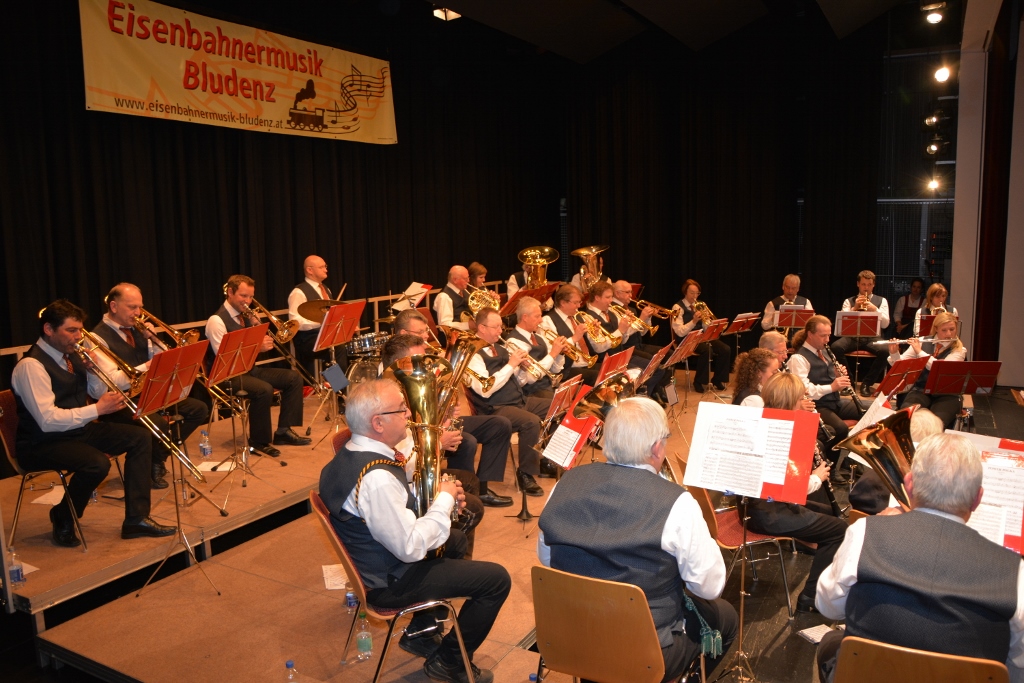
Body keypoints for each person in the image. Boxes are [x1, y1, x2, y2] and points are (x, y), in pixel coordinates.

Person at [319, 379, 511, 683]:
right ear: (378, 423)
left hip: (376, 561)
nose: (409, 413)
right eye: (401, 409)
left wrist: (439, 498)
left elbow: (387, 507)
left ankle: (422, 631)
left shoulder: (350, 454)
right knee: (497, 580)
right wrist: (444, 500)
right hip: (389, 580)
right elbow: (409, 547)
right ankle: (448, 662)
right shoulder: (377, 479)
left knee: (455, 540)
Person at [538, 397, 738, 681]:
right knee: (726, 617)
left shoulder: (564, 484)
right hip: (645, 653)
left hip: (573, 639)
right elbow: (708, 587)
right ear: (656, 447)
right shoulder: (678, 503)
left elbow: (547, 559)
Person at [815, 433, 1024, 683]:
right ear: (977, 499)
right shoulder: (1015, 573)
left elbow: (828, 606)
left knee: (830, 643)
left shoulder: (865, 533)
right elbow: (1017, 665)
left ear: (909, 484)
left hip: (870, 675)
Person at [11, 300, 175, 547]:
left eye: (79, 330)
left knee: (140, 437)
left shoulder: (71, 357)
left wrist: (91, 371)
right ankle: (64, 515)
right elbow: (47, 421)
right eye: (71, 330)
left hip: (77, 430)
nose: (78, 337)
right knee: (96, 463)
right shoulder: (30, 366)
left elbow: (98, 393)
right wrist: (97, 410)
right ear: (48, 329)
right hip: (41, 442)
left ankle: (136, 519)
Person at [743, 372, 848, 613]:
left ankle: (822, 564)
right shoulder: (784, 431)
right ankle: (810, 596)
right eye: (801, 397)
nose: (805, 401)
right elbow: (790, 488)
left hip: (755, 505)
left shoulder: (762, 421)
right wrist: (817, 477)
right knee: (839, 530)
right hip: (769, 512)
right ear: (791, 401)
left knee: (827, 512)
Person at [390, 309, 515, 506]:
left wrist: (446, 408)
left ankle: (480, 490)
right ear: (404, 334)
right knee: (466, 441)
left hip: (435, 420)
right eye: (420, 332)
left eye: (426, 331)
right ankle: (461, 497)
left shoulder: (420, 357)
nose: (426, 336)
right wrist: (439, 436)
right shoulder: (392, 372)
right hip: (420, 430)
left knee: (499, 425)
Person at [91, 283, 209, 488]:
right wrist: (147, 366)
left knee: (199, 409)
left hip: (148, 392)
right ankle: (152, 464)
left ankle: (157, 457)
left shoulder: (137, 329)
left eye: (140, 307)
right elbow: (112, 380)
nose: (138, 313)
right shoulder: (97, 338)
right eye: (132, 307)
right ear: (114, 306)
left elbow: (162, 363)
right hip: (120, 401)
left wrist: (153, 340)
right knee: (159, 424)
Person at [205, 274, 311, 457]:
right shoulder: (216, 321)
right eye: (243, 296)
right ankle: (258, 441)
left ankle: (283, 431)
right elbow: (226, 359)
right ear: (230, 293)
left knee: (293, 378)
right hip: (226, 376)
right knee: (263, 390)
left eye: (251, 297)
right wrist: (257, 347)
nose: (248, 301)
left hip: (248, 370)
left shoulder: (245, 316)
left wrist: (256, 327)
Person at [466, 307, 552, 497]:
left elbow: (518, 382)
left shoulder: (501, 348)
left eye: (501, 327)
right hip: (494, 408)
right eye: (496, 327)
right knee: (531, 422)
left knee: (558, 405)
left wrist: (522, 369)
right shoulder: (474, 354)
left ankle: (546, 460)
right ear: (481, 328)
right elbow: (485, 390)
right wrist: (511, 365)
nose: (500, 331)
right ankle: (525, 473)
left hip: (517, 400)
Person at [788, 315, 859, 453]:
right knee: (840, 429)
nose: (827, 340)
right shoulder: (798, 358)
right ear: (810, 334)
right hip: (817, 405)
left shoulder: (825, 351)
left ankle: (856, 454)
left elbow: (827, 377)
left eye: (828, 335)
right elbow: (803, 389)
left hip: (835, 401)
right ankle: (833, 464)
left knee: (868, 411)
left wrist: (837, 375)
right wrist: (832, 387)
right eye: (823, 336)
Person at [887, 311, 966, 427]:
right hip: (921, 390)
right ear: (936, 329)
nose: (949, 334)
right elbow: (901, 365)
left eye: (952, 329)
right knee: (906, 417)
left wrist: (919, 352)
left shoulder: (959, 350)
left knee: (936, 423)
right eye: (944, 330)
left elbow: (940, 368)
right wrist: (894, 353)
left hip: (947, 394)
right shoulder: (921, 341)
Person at [829, 270, 890, 397]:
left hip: (873, 337)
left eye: (869, 285)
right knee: (835, 347)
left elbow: (885, 324)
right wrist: (855, 308)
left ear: (874, 285)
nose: (866, 288)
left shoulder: (882, 301)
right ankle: (849, 383)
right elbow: (843, 325)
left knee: (885, 350)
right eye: (863, 284)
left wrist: (875, 309)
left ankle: (867, 383)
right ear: (858, 284)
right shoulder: (848, 301)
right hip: (853, 337)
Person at [287, 255, 344, 382]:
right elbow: (295, 322)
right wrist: (319, 322)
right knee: (337, 348)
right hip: (306, 339)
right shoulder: (298, 292)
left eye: (325, 266)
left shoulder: (326, 289)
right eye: (322, 267)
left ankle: (336, 382)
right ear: (310, 270)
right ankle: (338, 387)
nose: (326, 270)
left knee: (346, 341)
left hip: (323, 335)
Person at [670, 279, 731, 393]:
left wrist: (707, 321)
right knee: (707, 350)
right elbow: (679, 332)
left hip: (701, 336)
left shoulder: (700, 305)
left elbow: (706, 328)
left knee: (725, 349)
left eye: (697, 293)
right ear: (685, 292)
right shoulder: (677, 307)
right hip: (686, 338)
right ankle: (699, 382)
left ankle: (718, 380)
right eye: (692, 293)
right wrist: (693, 321)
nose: (695, 296)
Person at [504, 296, 565, 399]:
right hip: (532, 393)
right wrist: (552, 354)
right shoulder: (513, 341)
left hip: (548, 387)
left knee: (580, 392)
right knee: (570, 405)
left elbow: (555, 369)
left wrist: (560, 353)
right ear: (525, 317)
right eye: (537, 316)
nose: (541, 320)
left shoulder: (540, 337)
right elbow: (530, 378)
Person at [539, 284, 599, 385]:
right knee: (597, 376)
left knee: (611, 369)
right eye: (575, 302)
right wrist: (574, 338)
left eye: (579, 302)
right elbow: (552, 350)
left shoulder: (577, 316)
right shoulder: (547, 320)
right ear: (563, 303)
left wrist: (594, 333)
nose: (579, 306)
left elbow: (591, 345)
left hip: (586, 363)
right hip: (567, 369)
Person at [761, 274, 814, 341]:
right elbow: (764, 326)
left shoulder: (806, 302)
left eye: (793, 288)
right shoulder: (773, 303)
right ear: (783, 287)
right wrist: (773, 319)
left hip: (800, 340)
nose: (790, 291)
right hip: (778, 341)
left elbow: (812, 323)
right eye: (787, 287)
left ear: (798, 289)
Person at [433, 265, 472, 343]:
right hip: (452, 339)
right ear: (455, 280)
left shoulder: (465, 291)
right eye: (465, 279)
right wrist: (468, 325)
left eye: (468, 278)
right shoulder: (444, 296)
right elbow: (444, 326)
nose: (468, 281)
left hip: (466, 334)